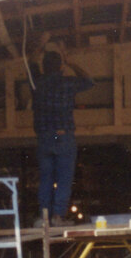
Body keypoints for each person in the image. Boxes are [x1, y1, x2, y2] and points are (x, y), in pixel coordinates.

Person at [31, 46, 94, 228]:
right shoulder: (67, 83)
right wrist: (71, 62)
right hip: (63, 136)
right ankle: (58, 217)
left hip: (44, 137)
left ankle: (44, 217)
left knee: (46, 178)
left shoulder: (37, 81)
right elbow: (89, 81)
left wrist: (39, 44)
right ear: (61, 67)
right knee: (64, 178)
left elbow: (31, 62)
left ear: (44, 67)